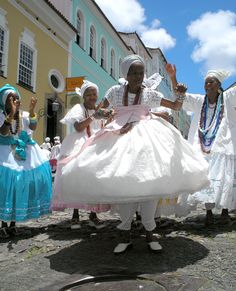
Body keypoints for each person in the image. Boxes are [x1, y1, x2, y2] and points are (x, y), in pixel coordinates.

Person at [59, 54, 209, 254]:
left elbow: (175, 107)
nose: (139, 76)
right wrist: (106, 115)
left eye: (141, 72)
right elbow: (101, 111)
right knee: (125, 185)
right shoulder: (114, 91)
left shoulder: (149, 95)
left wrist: (180, 94)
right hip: (119, 138)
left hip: (146, 139)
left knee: (148, 183)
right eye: (134, 73)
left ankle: (149, 235)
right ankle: (125, 235)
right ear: (126, 74)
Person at [166, 64, 236, 225]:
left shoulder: (228, 98)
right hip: (201, 147)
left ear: (219, 85)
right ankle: (209, 212)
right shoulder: (199, 101)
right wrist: (172, 76)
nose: (208, 85)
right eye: (206, 82)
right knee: (205, 178)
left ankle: (225, 211)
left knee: (223, 178)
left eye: (211, 82)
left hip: (222, 146)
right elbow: (180, 95)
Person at [52, 80, 112, 230]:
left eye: (94, 94)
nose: (92, 97)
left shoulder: (101, 109)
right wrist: (94, 116)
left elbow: (106, 126)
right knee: (76, 174)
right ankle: (75, 214)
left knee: (95, 179)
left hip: (97, 146)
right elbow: (78, 127)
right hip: (81, 143)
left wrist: (109, 116)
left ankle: (93, 214)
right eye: (88, 94)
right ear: (83, 96)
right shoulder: (79, 108)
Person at [0, 84, 52, 238]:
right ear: (4, 101)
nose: (16, 100)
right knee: (5, 187)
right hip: (5, 154)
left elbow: (33, 127)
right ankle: (3, 223)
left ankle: (13, 223)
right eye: (11, 98)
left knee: (19, 186)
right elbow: (3, 131)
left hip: (23, 155)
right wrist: (11, 114)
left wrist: (31, 112)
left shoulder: (22, 115)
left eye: (17, 98)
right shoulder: (1, 115)